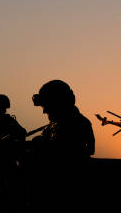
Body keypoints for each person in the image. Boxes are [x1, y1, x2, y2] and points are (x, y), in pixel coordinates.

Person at [29, 80, 95, 209]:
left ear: (58, 104)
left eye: (46, 106)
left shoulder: (75, 123)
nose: (44, 111)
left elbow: (63, 154)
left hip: (65, 185)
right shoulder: (55, 125)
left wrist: (39, 144)